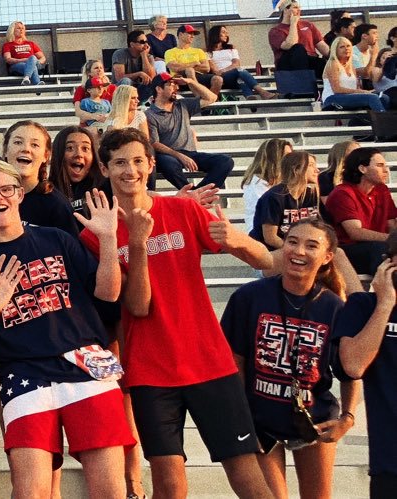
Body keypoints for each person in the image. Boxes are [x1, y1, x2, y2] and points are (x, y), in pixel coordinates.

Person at [80, 128, 278, 499]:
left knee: (247, 477)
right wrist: (136, 243)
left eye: (138, 160)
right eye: (119, 162)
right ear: (104, 170)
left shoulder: (184, 209)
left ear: (151, 164)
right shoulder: (98, 234)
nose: (130, 170)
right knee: (170, 486)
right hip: (150, 372)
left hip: (209, 362)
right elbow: (138, 306)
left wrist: (236, 239)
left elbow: (266, 260)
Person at [0, 158, 132, 498]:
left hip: (86, 366)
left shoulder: (56, 239)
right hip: (24, 377)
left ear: (19, 194)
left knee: (111, 491)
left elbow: (109, 292)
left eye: (6, 189)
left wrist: (109, 239)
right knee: (31, 493)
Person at [223, 220, 356, 499]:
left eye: (312, 245)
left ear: (327, 257)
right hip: (260, 419)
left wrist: (348, 417)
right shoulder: (249, 297)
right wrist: (241, 419)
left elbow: (351, 369)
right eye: (292, 241)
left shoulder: (333, 306)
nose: (299, 251)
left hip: (313, 418)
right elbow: (235, 362)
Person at [333, 245, 397, 497]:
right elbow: (354, 365)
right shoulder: (364, 306)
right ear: (386, 265)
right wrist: (385, 304)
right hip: (390, 464)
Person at [144, 73, 234, 190]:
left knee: (226, 161)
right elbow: (154, 143)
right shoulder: (149, 114)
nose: (176, 88)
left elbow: (211, 98)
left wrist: (191, 82)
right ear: (159, 89)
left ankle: (198, 193)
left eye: (176, 85)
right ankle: (190, 192)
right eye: (171, 85)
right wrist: (180, 156)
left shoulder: (182, 105)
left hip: (191, 153)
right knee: (168, 163)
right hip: (168, 155)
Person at [325, 147, 394, 274]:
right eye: (379, 165)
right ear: (362, 169)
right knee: (380, 248)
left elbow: (392, 224)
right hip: (347, 250)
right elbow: (355, 232)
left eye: (386, 165)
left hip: (377, 246)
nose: (386, 170)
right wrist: (392, 238)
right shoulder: (343, 193)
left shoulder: (381, 190)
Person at [3, 121, 77, 235]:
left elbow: (71, 250)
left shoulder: (57, 205)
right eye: (18, 142)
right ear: (5, 151)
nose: (26, 149)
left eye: (35, 145)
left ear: (46, 156)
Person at [251, 152, 322, 249]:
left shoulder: (312, 195)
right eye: (311, 165)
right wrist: (297, 251)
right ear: (296, 170)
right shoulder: (274, 197)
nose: (317, 170)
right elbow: (270, 238)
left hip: (299, 247)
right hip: (271, 251)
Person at [48, 126, 111, 219]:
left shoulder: (106, 188)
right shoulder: (46, 192)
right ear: (58, 153)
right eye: (69, 148)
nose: (78, 154)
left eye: (85, 148)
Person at [206, 26, 280, 100]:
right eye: (223, 32)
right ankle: (262, 92)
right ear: (215, 34)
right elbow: (215, 71)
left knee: (240, 78)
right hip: (220, 79)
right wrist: (225, 71)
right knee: (240, 71)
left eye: (227, 33)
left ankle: (250, 98)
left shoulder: (231, 48)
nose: (226, 35)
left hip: (233, 77)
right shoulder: (207, 52)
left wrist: (226, 70)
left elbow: (236, 63)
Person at [241, 138, 294, 233]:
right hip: (261, 234)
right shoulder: (256, 184)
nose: (291, 160)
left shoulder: (285, 182)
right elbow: (270, 213)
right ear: (274, 158)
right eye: (287, 156)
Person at [323, 37, 389, 112]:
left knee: (384, 97)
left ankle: (372, 121)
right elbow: (337, 89)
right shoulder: (333, 63)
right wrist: (362, 92)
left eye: (348, 46)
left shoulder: (351, 66)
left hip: (349, 97)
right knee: (372, 98)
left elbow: (357, 89)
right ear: (335, 50)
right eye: (342, 47)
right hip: (332, 98)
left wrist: (370, 91)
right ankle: (384, 122)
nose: (346, 49)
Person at [269, 1, 330, 72]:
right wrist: (293, 24)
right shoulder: (275, 31)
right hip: (288, 65)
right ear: (285, 10)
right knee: (298, 48)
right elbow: (290, 45)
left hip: (310, 60)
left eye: (299, 8)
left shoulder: (308, 25)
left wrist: (336, 57)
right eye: (295, 7)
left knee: (324, 64)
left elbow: (322, 46)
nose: (299, 10)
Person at [163, 25, 224, 94]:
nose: (193, 36)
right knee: (189, 71)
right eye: (189, 33)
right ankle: (200, 98)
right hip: (180, 79)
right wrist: (194, 63)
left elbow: (206, 68)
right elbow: (174, 68)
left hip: (199, 76)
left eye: (193, 34)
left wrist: (183, 66)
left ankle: (209, 101)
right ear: (180, 34)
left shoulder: (199, 51)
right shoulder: (170, 52)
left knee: (218, 79)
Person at [113, 30, 160, 97]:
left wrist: (144, 56)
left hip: (139, 90)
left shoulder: (149, 56)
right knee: (126, 81)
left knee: (151, 82)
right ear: (132, 44)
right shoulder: (120, 54)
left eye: (147, 42)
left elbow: (151, 77)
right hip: (121, 90)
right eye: (142, 42)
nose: (146, 45)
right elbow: (119, 77)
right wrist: (139, 74)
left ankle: (140, 104)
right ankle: (125, 104)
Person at [2, 21, 45, 85]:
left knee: (33, 59)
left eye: (23, 28)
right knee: (31, 65)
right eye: (18, 28)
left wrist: (37, 61)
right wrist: (24, 60)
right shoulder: (8, 45)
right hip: (15, 66)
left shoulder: (30, 43)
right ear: (12, 30)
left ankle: (26, 78)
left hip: (32, 63)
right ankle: (37, 84)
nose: (21, 30)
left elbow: (42, 57)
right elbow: (8, 59)